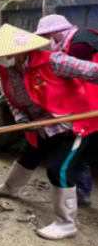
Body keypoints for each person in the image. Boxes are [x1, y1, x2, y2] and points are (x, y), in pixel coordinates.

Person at [0, 24, 98, 240]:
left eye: (5, 54)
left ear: (20, 52)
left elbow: (90, 71)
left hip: (72, 125)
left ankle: (66, 223)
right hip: (42, 125)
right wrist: (23, 120)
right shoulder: (11, 74)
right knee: (28, 155)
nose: (2, 59)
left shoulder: (53, 61)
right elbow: (14, 103)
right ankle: (10, 188)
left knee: (57, 169)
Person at [35, 14, 98, 206]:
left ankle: (81, 192)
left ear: (56, 32)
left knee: (74, 151)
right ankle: (81, 191)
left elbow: (81, 75)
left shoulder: (79, 46)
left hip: (89, 100)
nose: (47, 41)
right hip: (85, 99)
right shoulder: (77, 37)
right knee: (76, 150)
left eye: (48, 36)